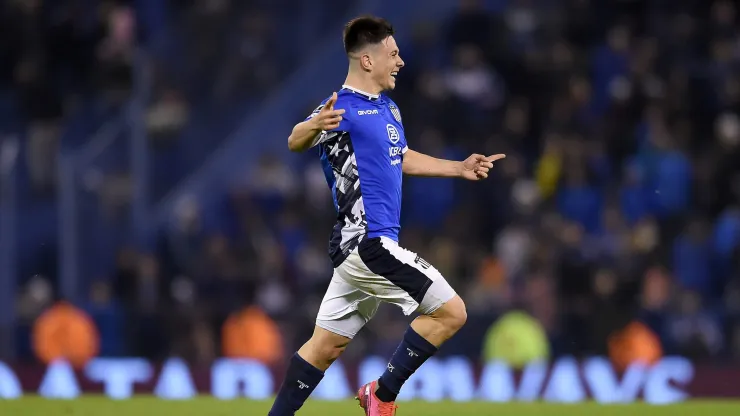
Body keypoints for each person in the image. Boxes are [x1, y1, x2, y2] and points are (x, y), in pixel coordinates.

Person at [268, 15, 505, 416]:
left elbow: (401, 157)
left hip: (357, 250)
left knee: (323, 348)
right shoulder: (339, 106)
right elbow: (294, 139)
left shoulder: (389, 109)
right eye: (393, 54)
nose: (401, 62)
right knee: (452, 312)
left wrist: (459, 168)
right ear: (367, 60)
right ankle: (382, 393)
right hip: (368, 243)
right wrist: (313, 125)